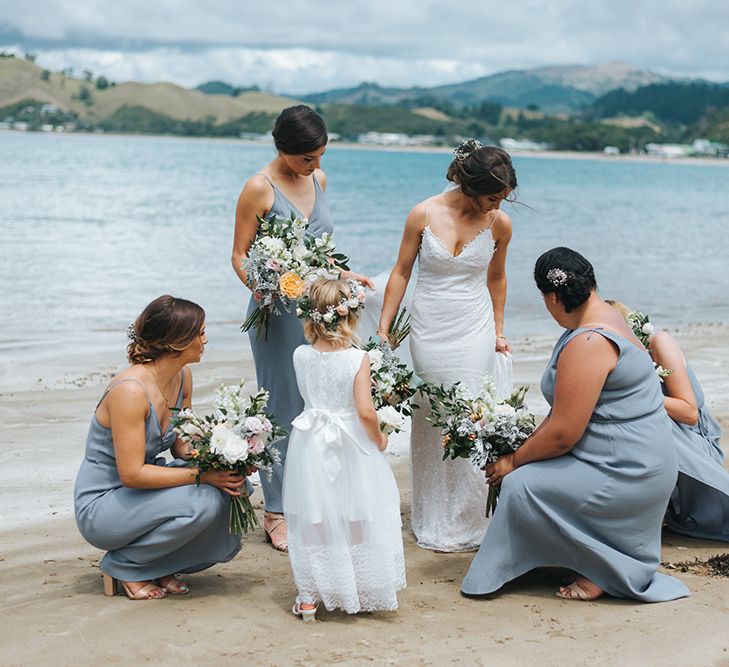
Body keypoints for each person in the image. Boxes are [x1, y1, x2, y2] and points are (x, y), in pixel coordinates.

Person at [461, 247, 690, 602]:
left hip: (626, 470)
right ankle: (577, 554)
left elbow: (565, 435)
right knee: (530, 471)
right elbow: (564, 416)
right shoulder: (608, 316)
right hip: (631, 456)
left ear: (553, 297)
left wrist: (512, 461)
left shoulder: (589, 341)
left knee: (522, 485)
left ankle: (602, 568)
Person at [232, 105, 372, 552]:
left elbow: (322, 254)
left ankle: (315, 497)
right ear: (283, 149)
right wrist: (264, 286)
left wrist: (344, 277)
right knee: (280, 405)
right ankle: (275, 510)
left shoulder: (319, 180)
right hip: (276, 313)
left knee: (323, 401)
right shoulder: (259, 188)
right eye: (307, 158)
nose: (316, 166)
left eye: (321, 156)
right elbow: (238, 255)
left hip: (318, 314)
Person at [377, 140, 515, 552]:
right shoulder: (423, 212)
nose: (497, 205)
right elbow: (402, 271)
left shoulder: (500, 224)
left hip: (474, 325)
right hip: (430, 326)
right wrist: (385, 324)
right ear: (470, 184)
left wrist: (499, 330)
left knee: (471, 413)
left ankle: (472, 515)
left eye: (504, 198)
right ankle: (434, 514)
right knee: (433, 414)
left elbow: (497, 278)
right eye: (492, 196)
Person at [74, 296, 243, 600]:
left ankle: (155, 563)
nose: (205, 340)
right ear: (177, 342)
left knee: (231, 488)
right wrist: (202, 477)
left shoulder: (182, 377)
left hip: (140, 494)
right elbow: (132, 474)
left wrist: (228, 452)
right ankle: (123, 565)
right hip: (105, 503)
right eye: (200, 332)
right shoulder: (130, 391)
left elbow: (181, 447)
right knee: (204, 500)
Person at [283, 277, 406, 621]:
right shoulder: (358, 358)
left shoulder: (300, 354)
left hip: (309, 440)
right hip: (351, 440)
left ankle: (308, 596)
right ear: (350, 315)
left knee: (315, 513)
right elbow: (365, 411)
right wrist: (380, 438)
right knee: (358, 507)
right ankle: (362, 586)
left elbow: (309, 395)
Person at [608, 300, 729, 542]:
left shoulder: (659, 342)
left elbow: (689, 413)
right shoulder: (618, 359)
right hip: (663, 441)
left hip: (694, 443)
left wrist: (634, 393)